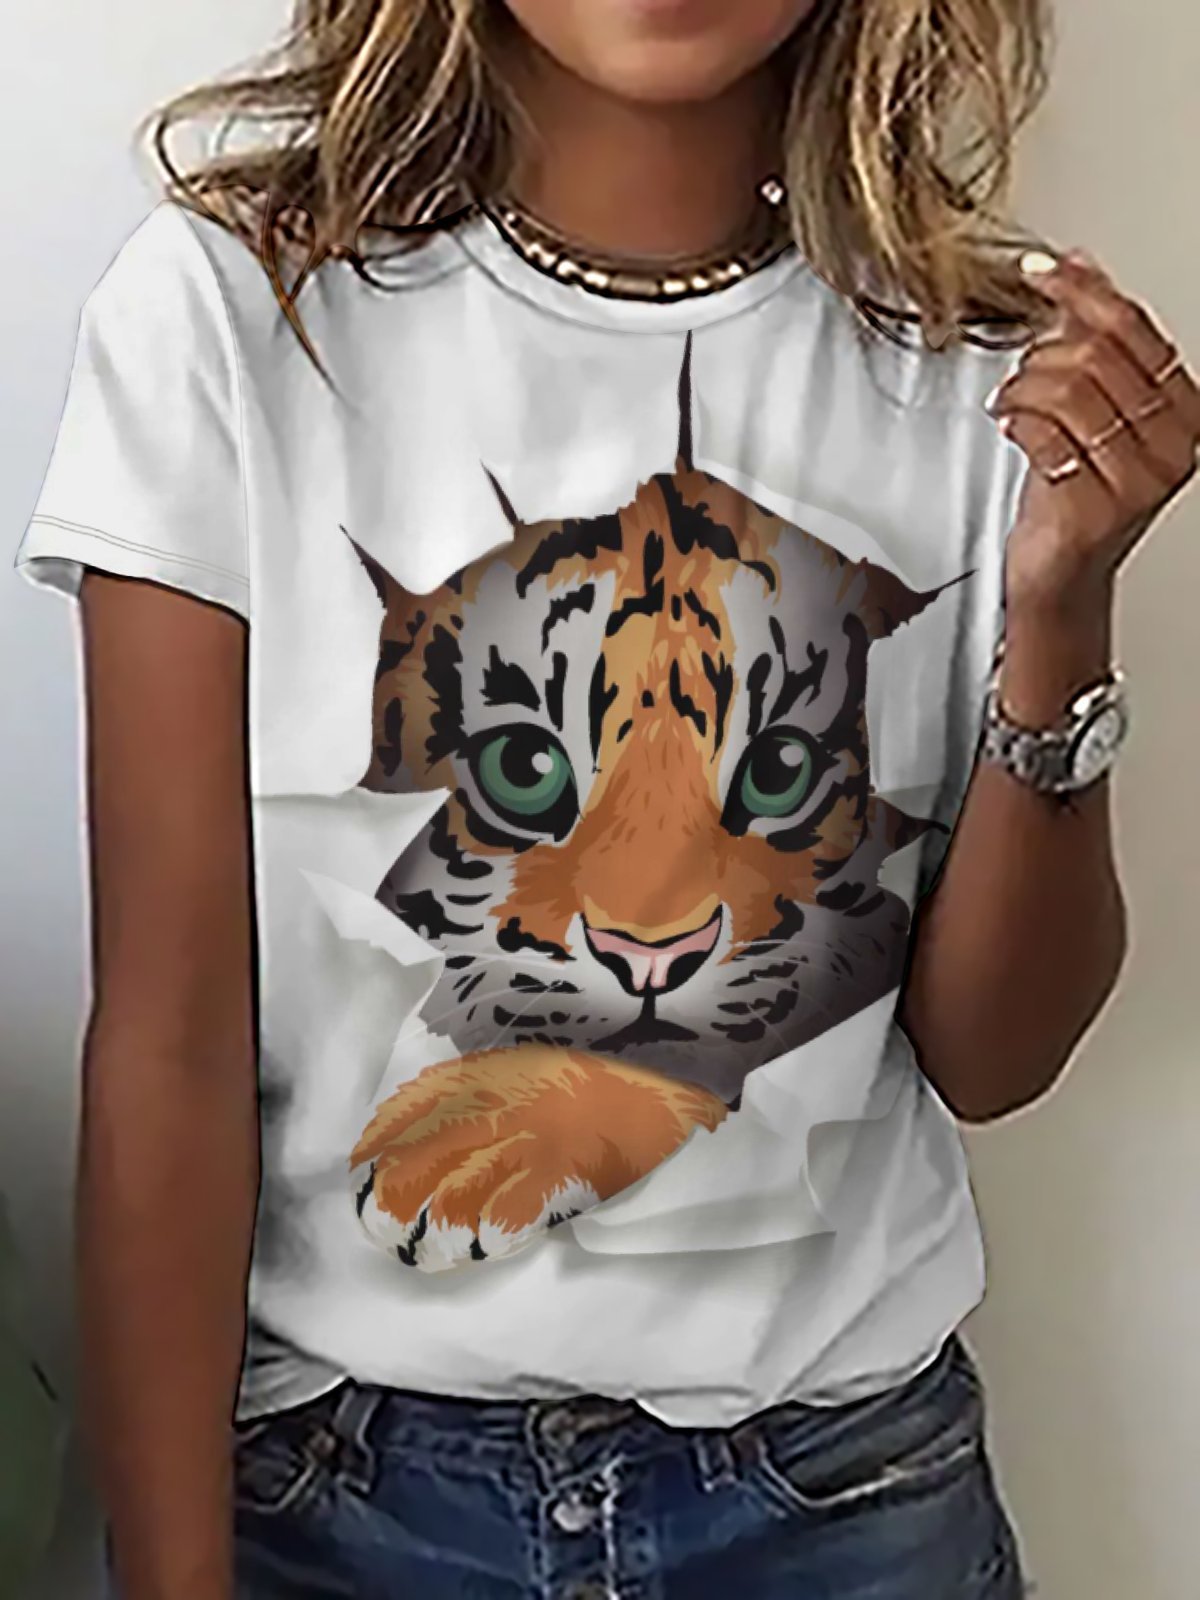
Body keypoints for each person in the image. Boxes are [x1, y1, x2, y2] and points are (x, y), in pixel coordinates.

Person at [14, 1, 1199, 1596]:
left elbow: (995, 1058)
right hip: (341, 1490)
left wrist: (1062, 606)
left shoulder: (990, 361)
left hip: (840, 1490)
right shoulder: (235, 309)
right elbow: (169, 1049)